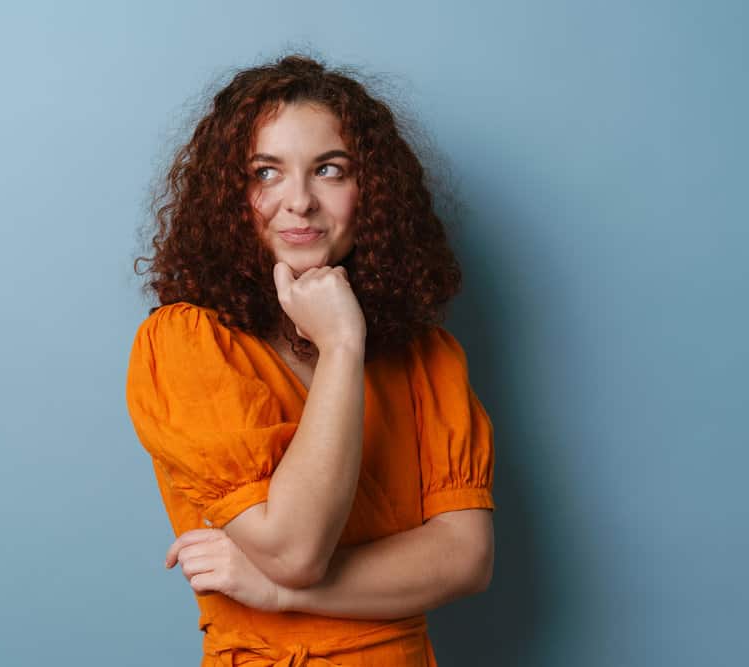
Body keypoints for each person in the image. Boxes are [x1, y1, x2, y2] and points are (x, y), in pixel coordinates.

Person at [125, 53, 496, 666]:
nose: (299, 201)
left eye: (328, 169)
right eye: (265, 172)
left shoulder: (427, 355)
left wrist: (276, 591)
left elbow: (466, 559)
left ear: (370, 191)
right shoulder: (187, 343)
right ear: (228, 195)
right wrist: (344, 348)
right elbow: (295, 547)